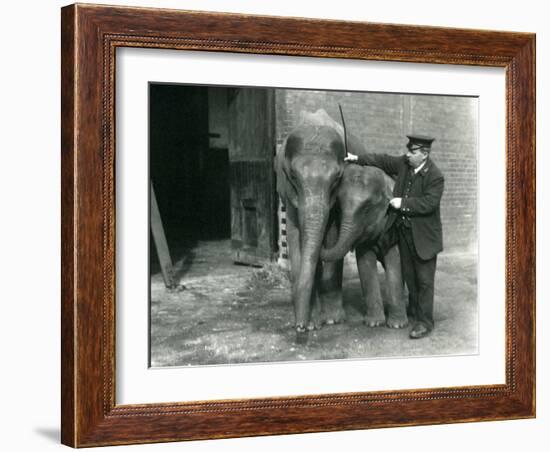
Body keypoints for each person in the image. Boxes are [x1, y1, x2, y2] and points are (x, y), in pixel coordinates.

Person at [345, 135, 444, 339]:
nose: (408, 155)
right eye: (408, 151)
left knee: (424, 281)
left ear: (424, 154)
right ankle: (415, 310)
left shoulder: (435, 176)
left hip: (424, 237)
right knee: (411, 278)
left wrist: (403, 203)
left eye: (413, 152)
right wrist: (357, 158)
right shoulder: (405, 164)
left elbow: (429, 204)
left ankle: (425, 322)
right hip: (404, 235)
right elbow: (381, 160)